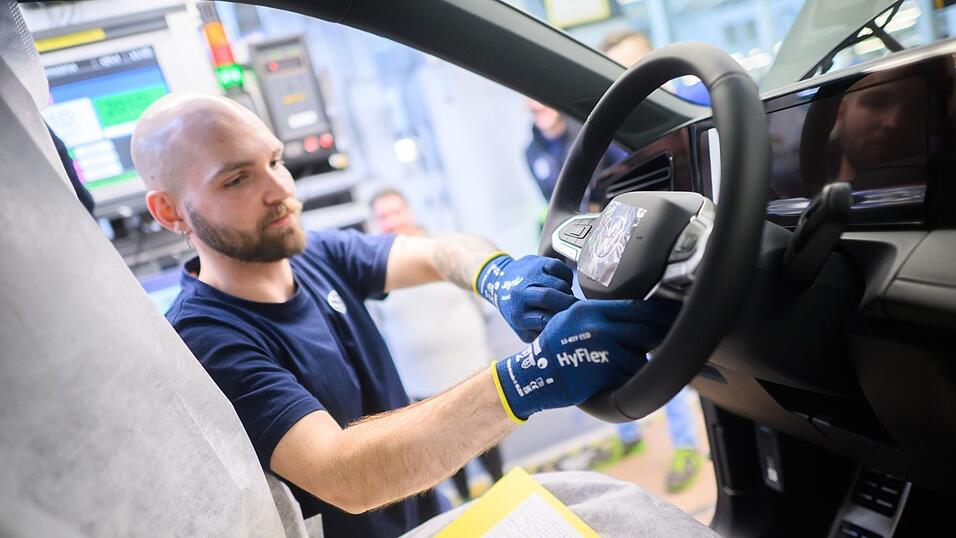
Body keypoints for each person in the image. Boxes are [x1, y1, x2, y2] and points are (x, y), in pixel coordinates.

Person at [131, 92, 677, 537]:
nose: (280, 190)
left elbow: (437, 252)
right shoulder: (206, 338)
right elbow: (343, 474)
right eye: (236, 179)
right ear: (169, 210)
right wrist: (533, 375)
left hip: (428, 517)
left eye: (274, 161)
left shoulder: (314, 253)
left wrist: (497, 275)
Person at [521, 30, 705, 494]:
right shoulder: (532, 150)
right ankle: (628, 435)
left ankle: (686, 445)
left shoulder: (597, 130)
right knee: (596, 340)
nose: (536, 104)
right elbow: (556, 204)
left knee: (655, 341)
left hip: (631, 246)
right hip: (586, 254)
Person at [367, 187, 504, 502]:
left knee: (487, 439)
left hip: (470, 370)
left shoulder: (445, 249)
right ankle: (465, 503)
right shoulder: (372, 273)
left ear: (409, 211)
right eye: (383, 216)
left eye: (396, 212)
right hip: (422, 382)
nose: (391, 221)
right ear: (375, 222)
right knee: (446, 452)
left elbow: (478, 301)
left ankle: (506, 496)